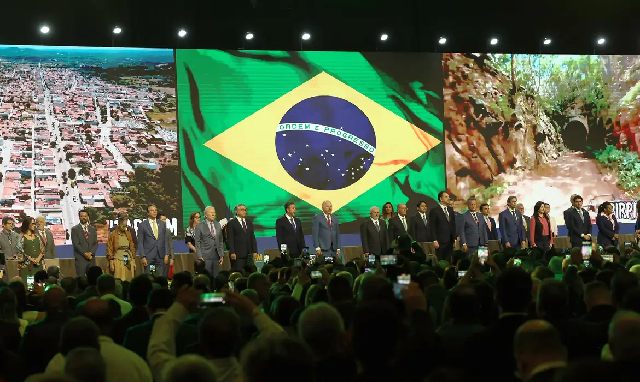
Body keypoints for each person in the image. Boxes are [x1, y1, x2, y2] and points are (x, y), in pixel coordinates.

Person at [137, 205, 169, 276]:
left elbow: (165, 240)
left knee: (160, 276)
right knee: (151, 276)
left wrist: (167, 254)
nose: (154, 212)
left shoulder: (161, 224)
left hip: (160, 256)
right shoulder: (142, 225)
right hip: (149, 256)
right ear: (148, 213)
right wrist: (143, 256)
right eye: (152, 210)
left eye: (155, 210)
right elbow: (140, 242)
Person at [194, 206, 224, 278]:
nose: (213, 214)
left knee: (216, 276)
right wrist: (200, 256)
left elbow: (220, 241)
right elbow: (197, 242)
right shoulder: (199, 226)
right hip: (205, 256)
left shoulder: (218, 225)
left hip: (216, 256)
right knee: (206, 276)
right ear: (206, 215)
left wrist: (221, 255)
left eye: (214, 213)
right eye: (211, 213)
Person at [106, 212, 137, 282]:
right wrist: (111, 261)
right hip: (117, 258)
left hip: (126, 257)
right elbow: (109, 248)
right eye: (123, 226)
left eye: (126, 226)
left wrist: (133, 260)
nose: (125, 228)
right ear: (119, 223)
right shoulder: (113, 233)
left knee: (127, 276)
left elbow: (132, 246)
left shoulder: (129, 233)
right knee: (119, 278)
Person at [227, 204, 258, 271]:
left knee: (249, 272)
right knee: (239, 272)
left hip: (249, 254)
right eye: (242, 210)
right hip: (238, 254)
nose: (244, 211)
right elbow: (230, 238)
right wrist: (232, 252)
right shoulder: (232, 223)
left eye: (245, 210)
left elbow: (252, 237)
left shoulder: (249, 222)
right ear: (236, 211)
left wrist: (255, 251)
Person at [428, 191, 456, 261]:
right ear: (441, 199)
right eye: (446, 197)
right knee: (441, 261)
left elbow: (453, 224)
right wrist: (434, 240)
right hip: (440, 241)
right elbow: (432, 226)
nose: (448, 198)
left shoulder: (450, 210)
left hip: (450, 241)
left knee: (449, 261)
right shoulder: (434, 211)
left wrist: (454, 238)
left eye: (448, 197)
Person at [71, 210, 98, 277]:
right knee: (81, 280)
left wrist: (91, 253)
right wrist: (85, 254)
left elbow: (96, 243)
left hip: (91, 259)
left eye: (85, 216)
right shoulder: (75, 229)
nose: (83, 218)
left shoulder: (93, 229)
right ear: (79, 217)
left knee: (92, 279)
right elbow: (76, 244)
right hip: (81, 260)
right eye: (82, 216)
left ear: (88, 217)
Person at [19, 216, 44, 283]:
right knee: (30, 286)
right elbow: (20, 252)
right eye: (32, 223)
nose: (34, 225)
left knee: (39, 284)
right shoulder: (22, 238)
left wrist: (38, 259)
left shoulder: (37, 237)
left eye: (34, 223)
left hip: (38, 265)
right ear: (28, 225)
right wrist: (31, 259)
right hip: (27, 266)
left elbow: (42, 249)